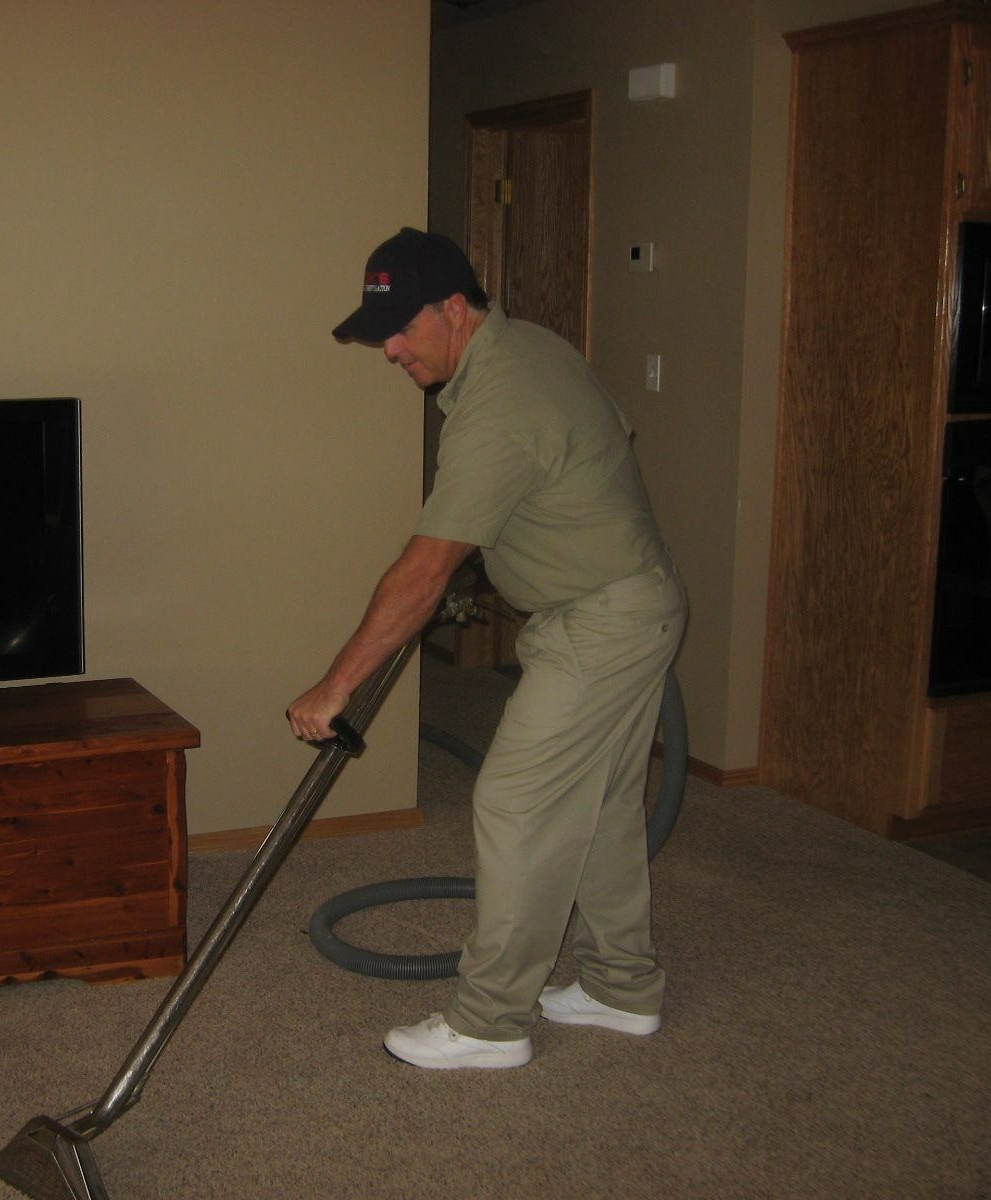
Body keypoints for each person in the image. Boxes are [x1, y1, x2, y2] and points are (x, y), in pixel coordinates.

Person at [288, 227, 686, 1070]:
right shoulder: (527, 352)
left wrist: (336, 689)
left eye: (401, 327)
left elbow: (424, 571)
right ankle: (622, 987)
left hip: (603, 621)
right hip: (626, 604)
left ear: (455, 309)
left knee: (517, 803)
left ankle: (489, 1022)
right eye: (380, 331)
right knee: (604, 808)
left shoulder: (499, 403)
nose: (389, 347)